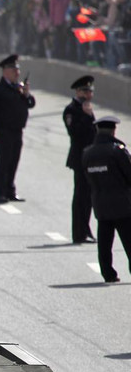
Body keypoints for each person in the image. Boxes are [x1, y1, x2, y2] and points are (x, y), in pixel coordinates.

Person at [80, 116, 131, 283]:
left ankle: (108, 273)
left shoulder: (88, 152)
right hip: (122, 203)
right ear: (113, 130)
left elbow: (87, 177)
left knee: (104, 242)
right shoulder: (117, 151)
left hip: (100, 202)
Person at [0, 54, 35, 203]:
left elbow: (31, 104)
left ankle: (10, 191)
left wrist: (26, 94)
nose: (17, 73)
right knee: (4, 161)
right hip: (3, 130)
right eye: (13, 70)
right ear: (5, 71)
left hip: (17, 130)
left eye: (18, 70)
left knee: (14, 161)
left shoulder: (18, 88)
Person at [63, 75, 98, 244]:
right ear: (77, 92)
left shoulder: (88, 109)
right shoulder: (71, 110)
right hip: (79, 157)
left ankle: (85, 229)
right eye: (85, 91)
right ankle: (78, 232)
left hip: (90, 158)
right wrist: (85, 116)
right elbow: (75, 133)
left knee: (89, 196)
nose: (88, 94)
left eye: (90, 91)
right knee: (80, 195)